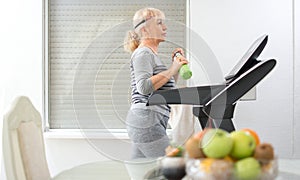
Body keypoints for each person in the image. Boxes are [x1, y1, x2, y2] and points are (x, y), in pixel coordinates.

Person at [124, 7, 189, 159]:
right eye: (159, 23)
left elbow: (164, 87)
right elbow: (144, 87)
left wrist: (176, 68)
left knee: (141, 173)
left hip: (147, 122)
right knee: (173, 166)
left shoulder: (151, 55)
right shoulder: (143, 53)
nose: (165, 27)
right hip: (146, 121)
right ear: (145, 30)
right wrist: (172, 69)